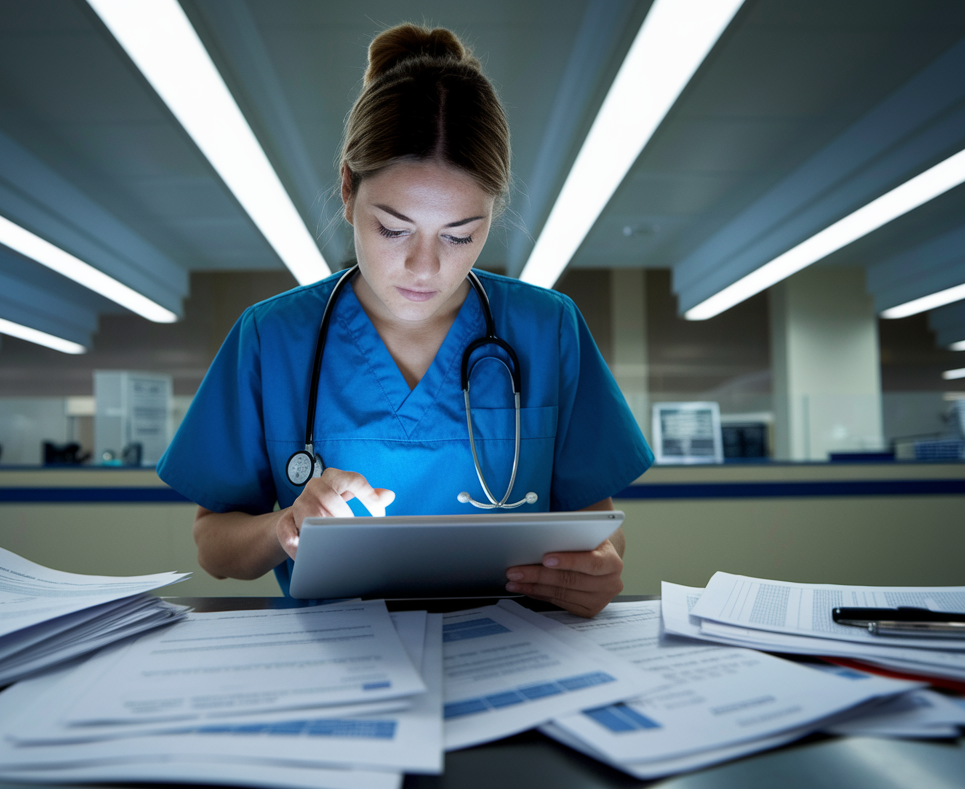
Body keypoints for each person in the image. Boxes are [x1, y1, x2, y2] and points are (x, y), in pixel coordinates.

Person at [157, 23, 653, 618]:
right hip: (336, 668)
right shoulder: (271, 338)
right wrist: (284, 528)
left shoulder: (548, 329)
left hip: (517, 656)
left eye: (460, 235)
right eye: (393, 229)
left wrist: (599, 566)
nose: (424, 266)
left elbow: (596, 520)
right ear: (347, 189)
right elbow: (215, 546)